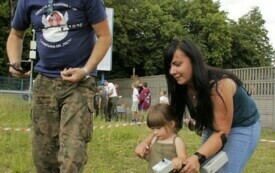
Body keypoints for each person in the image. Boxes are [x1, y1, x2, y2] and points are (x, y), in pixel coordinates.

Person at [6, 0, 112, 172]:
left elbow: (105, 37)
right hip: (45, 82)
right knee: (43, 156)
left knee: (72, 155)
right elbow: (16, 34)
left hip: (79, 83)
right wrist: (14, 61)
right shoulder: (27, 1)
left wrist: (85, 70)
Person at [135, 39, 261, 173]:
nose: (172, 71)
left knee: (224, 170)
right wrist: (146, 142)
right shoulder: (181, 86)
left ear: (193, 60)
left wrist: (197, 157)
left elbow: (222, 132)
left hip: (241, 126)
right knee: (206, 169)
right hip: (214, 126)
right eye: (169, 67)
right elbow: (169, 120)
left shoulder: (220, 86)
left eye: (177, 64)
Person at [137, 103, 188, 173]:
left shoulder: (177, 141)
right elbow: (154, 158)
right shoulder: (155, 139)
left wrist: (179, 160)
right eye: (152, 128)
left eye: (158, 128)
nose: (155, 132)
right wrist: (145, 155)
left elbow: (184, 158)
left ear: (171, 124)